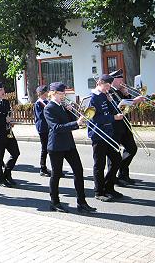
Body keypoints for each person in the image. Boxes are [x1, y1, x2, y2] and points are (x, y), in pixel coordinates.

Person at [43, 82, 96, 213]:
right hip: (56, 146)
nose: (63, 96)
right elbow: (56, 127)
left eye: (64, 94)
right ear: (53, 94)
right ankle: (54, 202)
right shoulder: (48, 108)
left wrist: (71, 111)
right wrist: (75, 123)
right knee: (56, 174)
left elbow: (72, 121)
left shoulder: (62, 106)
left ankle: (81, 202)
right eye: (61, 94)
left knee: (79, 171)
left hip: (68, 144)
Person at [89, 75, 124, 202]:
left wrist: (111, 102)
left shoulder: (105, 95)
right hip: (98, 135)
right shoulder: (93, 98)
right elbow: (94, 119)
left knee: (117, 159)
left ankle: (109, 187)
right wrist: (113, 118)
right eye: (107, 86)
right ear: (99, 83)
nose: (108, 89)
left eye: (109, 86)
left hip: (108, 133)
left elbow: (110, 111)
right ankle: (98, 191)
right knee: (99, 164)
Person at [109, 69, 145, 186]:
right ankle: (112, 178)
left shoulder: (120, 91)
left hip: (124, 124)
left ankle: (123, 174)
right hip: (115, 126)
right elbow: (118, 106)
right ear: (114, 80)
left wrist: (127, 94)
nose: (122, 81)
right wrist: (134, 100)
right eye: (120, 79)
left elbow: (127, 108)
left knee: (132, 148)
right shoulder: (109, 92)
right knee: (114, 153)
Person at [0, 82, 20, 188]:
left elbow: (8, 114)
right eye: (0, 90)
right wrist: (4, 120)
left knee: (15, 153)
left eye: (3, 89)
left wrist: (11, 121)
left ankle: (7, 173)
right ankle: (0, 179)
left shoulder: (6, 102)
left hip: (7, 132)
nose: (3, 92)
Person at [34, 85, 51, 177]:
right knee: (44, 148)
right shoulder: (38, 103)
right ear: (41, 94)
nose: (47, 94)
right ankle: (42, 168)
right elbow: (41, 116)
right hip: (43, 128)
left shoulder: (47, 101)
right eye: (45, 93)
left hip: (49, 128)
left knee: (51, 148)